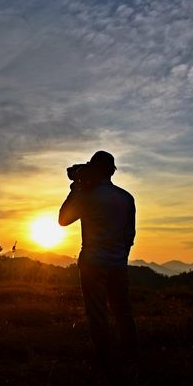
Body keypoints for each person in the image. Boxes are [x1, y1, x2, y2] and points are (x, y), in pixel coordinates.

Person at [59, 150, 138, 365]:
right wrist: (121, 257)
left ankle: (104, 357)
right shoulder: (126, 198)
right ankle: (131, 352)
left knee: (97, 311)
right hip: (118, 262)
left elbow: (63, 220)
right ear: (112, 171)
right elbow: (130, 235)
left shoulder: (86, 195)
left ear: (93, 169)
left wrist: (75, 188)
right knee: (122, 309)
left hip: (92, 262)